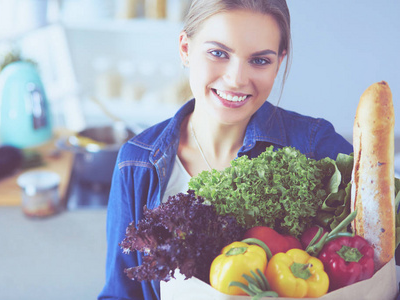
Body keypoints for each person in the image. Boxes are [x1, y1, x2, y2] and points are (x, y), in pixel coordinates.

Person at [98, 0, 353, 299]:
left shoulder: (315, 145)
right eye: (218, 53)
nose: (236, 79)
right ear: (185, 49)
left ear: (279, 62)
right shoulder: (137, 162)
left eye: (259, 61)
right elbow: (121, 293)